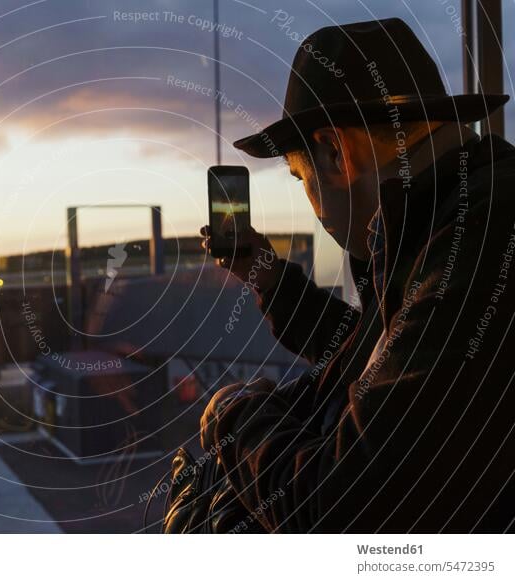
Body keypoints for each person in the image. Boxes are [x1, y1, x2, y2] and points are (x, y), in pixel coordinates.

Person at [200, 17, 515, 532]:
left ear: (334, 153)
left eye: (302, 178)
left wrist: (230, 417)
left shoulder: (482, 235)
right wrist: (268, 277)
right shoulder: (447, 217)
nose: (312, 203)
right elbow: (383, 360)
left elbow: (335, 509)